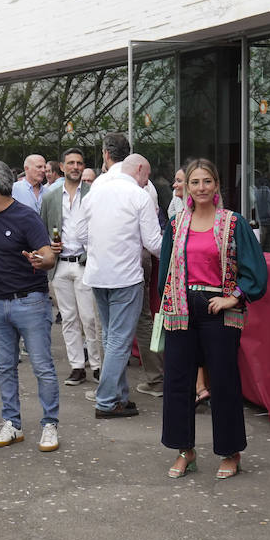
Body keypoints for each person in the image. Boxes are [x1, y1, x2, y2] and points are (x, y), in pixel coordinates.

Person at [158, 158, 268, 480]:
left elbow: (256, 270)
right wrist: (164, 307)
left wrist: (233, 297)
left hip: (218, 309)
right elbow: (166, 270)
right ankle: (185, 451)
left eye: (207, 181)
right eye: (195, 182)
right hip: (181, 307)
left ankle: (230, 452)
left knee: (223, 382)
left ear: (217, 185)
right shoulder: (177, 224)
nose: (201, 188)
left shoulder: (234, 223)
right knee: (178, 383)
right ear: (186, 187)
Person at [65, 153, 162, 419]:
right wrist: (179, 251)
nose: (147, 182)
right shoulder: (138, 195)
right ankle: (107, 400)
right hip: (126, 275)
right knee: (118, 339)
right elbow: (154, 243)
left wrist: (100, 248)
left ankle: (119, 395)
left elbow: (79, 233)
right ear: (140, 169)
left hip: (97, 274)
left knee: (110, 336)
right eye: (147, 176)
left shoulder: (95, 191)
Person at [0, 160, 60, 452]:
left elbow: (49, 255)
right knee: (5, 368)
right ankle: (12, 424)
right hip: (0, 304)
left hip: (32, 302)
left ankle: (50, 425)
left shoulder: (26, 217)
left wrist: (42, 260)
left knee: (42, 367)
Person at [39, 147, 102, 387]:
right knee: (68, 319)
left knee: (89, 318)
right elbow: (42, 229)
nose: (75, 167)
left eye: (79, 163)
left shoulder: (93, 193)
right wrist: (48, 247)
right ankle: (77, 366)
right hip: (60, 266)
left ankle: (96, 366)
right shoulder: (51, 197)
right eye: (71, 163)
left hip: (85, 264)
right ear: (62, 167)